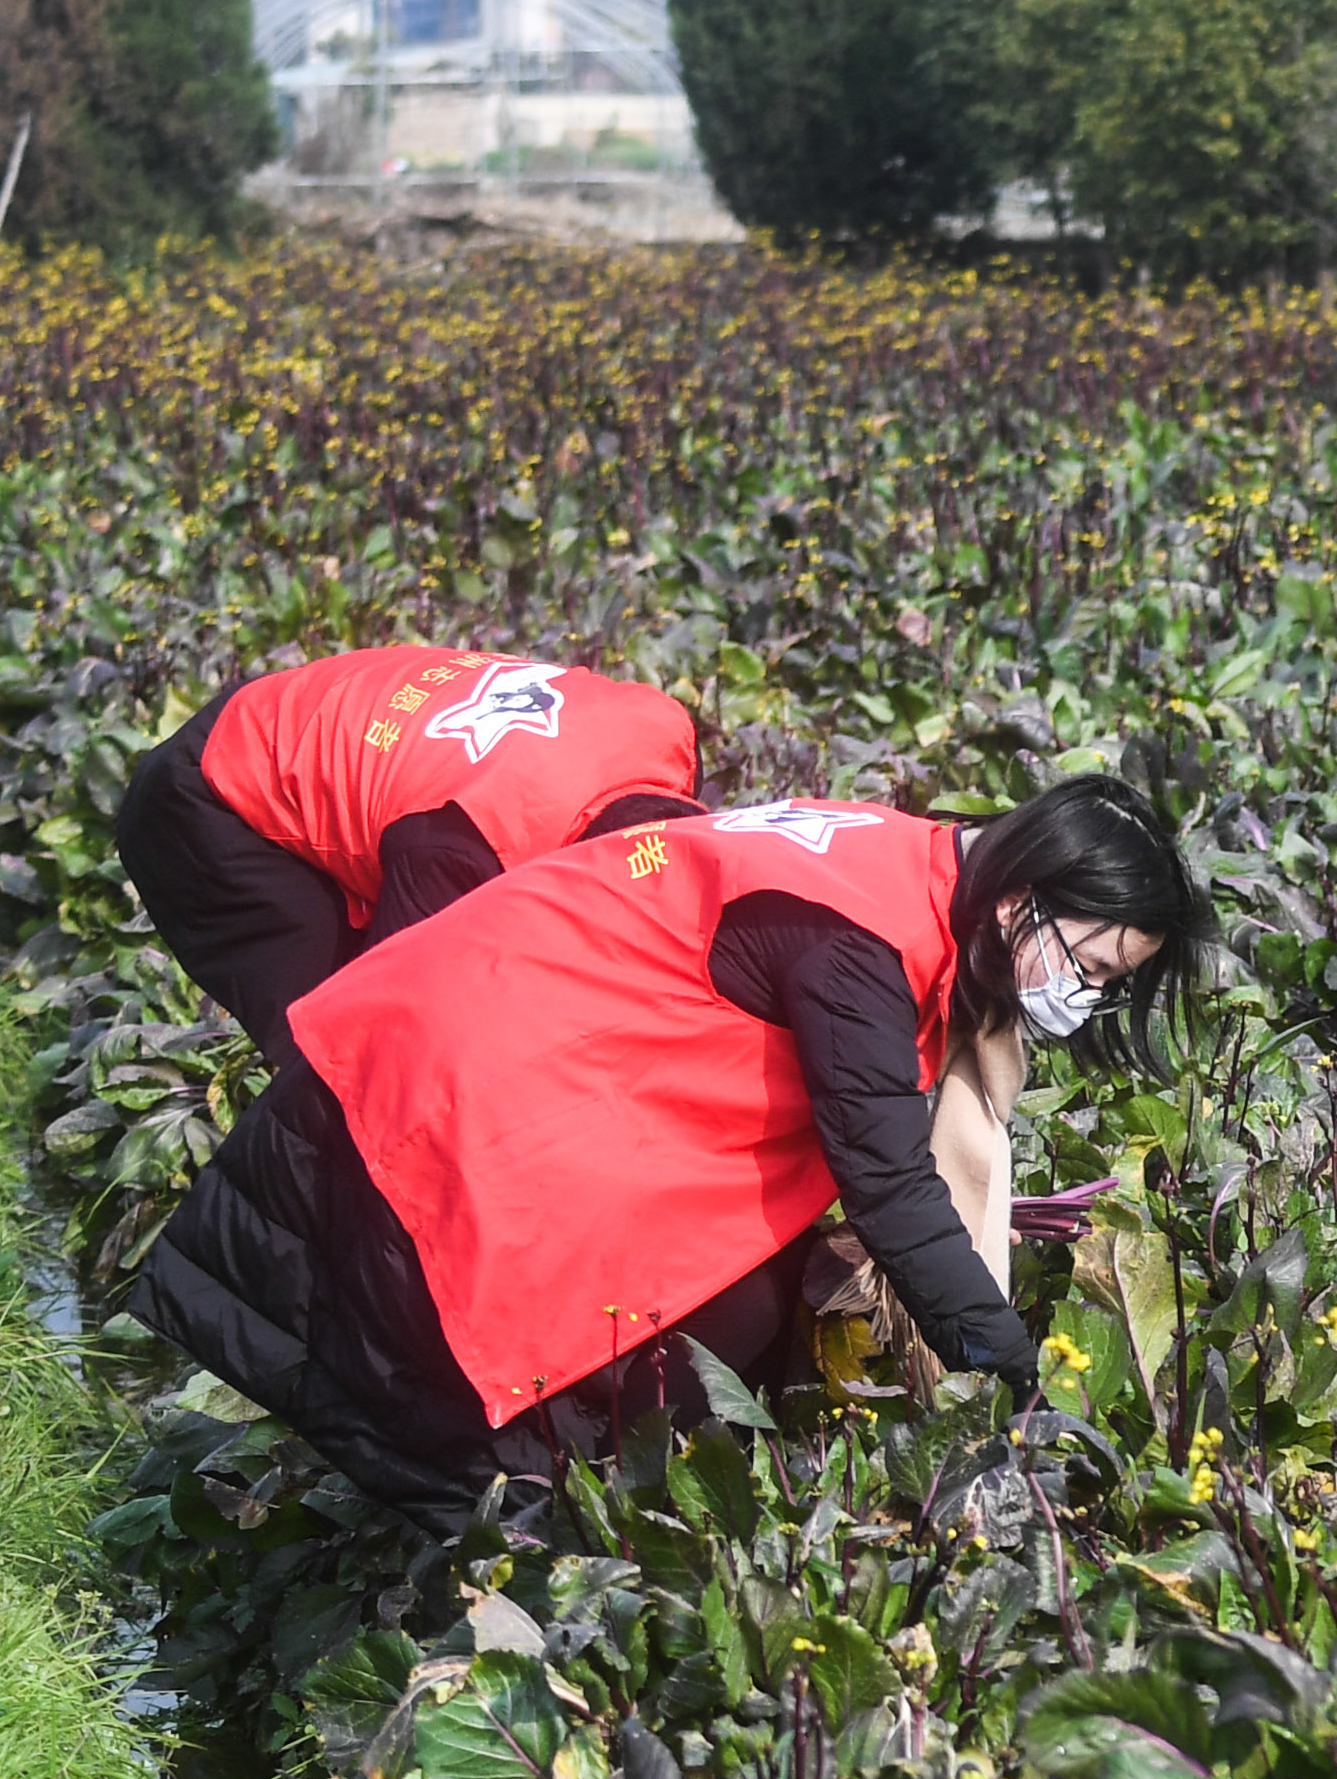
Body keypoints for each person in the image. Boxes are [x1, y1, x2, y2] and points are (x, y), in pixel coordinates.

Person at [131, 776, 1208, 1522]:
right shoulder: (859, 949)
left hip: (502, 1037)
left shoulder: (914, 865)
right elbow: (889, 1183)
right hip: (451, 1081)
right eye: (1095, 963)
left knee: (716, 1320)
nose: (1088, 994)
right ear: (1026, 897)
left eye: (1112, 983)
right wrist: (1014, 1379)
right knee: (471, 1389)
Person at [115, 645, 707, 1069]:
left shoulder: (669, 739)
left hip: (331, 728)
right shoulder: (463, 847)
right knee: (343, 1055)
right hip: (211, 799)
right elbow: (394, 1019)